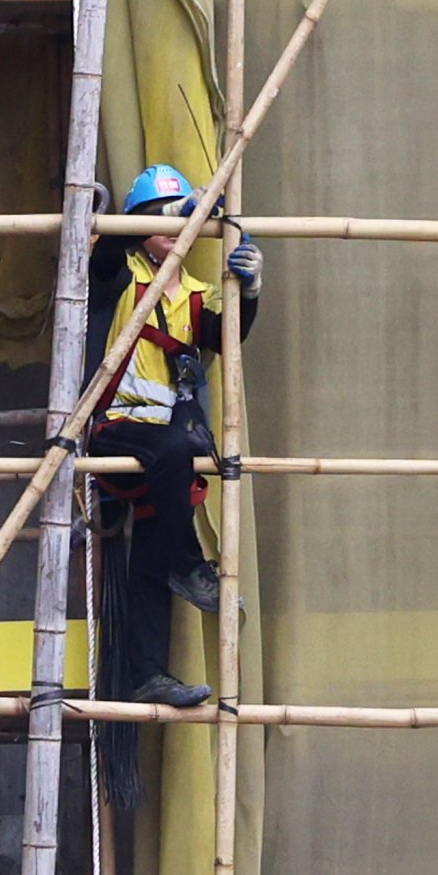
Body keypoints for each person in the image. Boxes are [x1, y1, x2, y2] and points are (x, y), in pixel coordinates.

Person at [85, 163, 265, 711]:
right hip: (115, 429)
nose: (169, 226)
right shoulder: (121, 274)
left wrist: (251, 288)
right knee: (175, 453)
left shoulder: (196, 293)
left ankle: (149, 673)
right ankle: (189, 562)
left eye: (177, 217)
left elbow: (227, 336)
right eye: (154, 218)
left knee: (152, 548)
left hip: (164, 449)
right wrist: (179, 212)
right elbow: (107, 255)